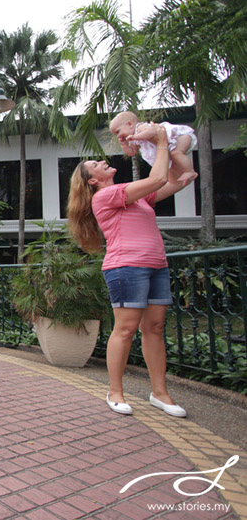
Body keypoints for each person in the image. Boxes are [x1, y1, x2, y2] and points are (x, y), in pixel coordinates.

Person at [68, 124, 187, 418]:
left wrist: (159, 147)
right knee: (126, 329)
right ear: (93, 181)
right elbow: (158, 177)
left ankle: (159, 393)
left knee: (155, 329)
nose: (101, 161)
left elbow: (176, 180)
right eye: (94, 165)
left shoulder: (135, 197)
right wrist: (159, 139)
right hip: (126, 267)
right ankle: (115, 391)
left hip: (156, 265)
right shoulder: (106, 197)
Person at [109, 111, 198, 186]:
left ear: (130, 124)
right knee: (171, 165)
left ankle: (189, 171)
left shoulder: (140, 127)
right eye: (116, 134)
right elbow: (132, 152)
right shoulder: (133, 139)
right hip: (169, 146)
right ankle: (182, 174)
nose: (119, 135)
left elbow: (150, 133)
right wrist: (124, 144)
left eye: (118, 131)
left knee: (176, 153)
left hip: (179, 137)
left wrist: (135, 137)